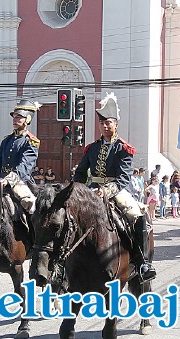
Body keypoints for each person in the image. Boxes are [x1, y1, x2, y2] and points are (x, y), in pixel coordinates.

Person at [73, 92, 156, 283]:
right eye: (102, 123)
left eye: (108, 122)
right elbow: (81, 172)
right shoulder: (92, 148)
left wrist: (106, 190)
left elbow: (123, 178)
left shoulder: (123, 148)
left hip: (116, 192)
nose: (104, 125)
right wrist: (79, 189)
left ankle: (142, 263)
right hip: (92, 190)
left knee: (138, 215)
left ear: (116, 124)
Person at [0, 99, 40, 214]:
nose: (15, 119)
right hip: (1, 181)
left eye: (19, 117)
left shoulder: (31, 141)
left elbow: (25, 166)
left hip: (21, 182)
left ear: (27, 119)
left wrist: (9, 180)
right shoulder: (6, 140)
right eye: (14, 116)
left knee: (30, 207)